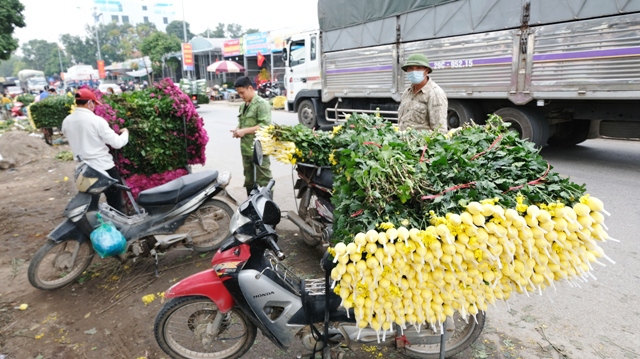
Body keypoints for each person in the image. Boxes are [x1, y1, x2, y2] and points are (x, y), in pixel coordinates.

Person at [61, 89, 129, 212]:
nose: (94, 107)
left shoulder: (66, 121)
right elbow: (117, 143)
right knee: (116, 204)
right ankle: (118, 228)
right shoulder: (96, 121)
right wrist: (125, 133)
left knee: (90, 205)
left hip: (84, 170)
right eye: (94, 104)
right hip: (104, 168)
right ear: (90, 103)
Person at [230, 76, 273, 196]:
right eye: (239, 94)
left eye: (242, 93)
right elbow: (242, 123)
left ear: (250, 88)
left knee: (264, 179)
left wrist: (244, 131)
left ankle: (268, 209)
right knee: (249, 180)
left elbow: (265, 126)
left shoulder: (262, 104)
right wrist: (237, 129)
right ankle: (251, 205)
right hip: (246, 149)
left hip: (260, 149)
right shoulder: (243, 106)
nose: (241, 96)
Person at [397, 53, 448, 134]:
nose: (414, 71)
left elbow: (440, 131)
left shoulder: (435, 94)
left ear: (426, 71)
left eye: (418, 68)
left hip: (421, 145)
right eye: (410, 68)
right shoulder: (407, 92)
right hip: (404, 143)